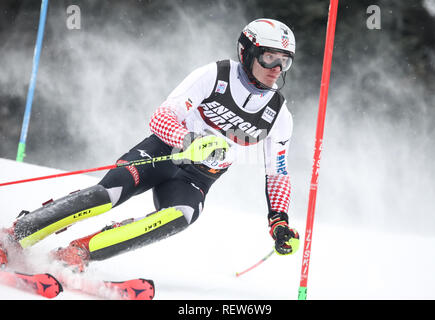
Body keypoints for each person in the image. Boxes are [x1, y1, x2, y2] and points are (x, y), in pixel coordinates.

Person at [0, 18, 300, 272]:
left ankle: (78, 253)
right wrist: (187, 140)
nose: (276, 68)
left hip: (196, 178)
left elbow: (278, 174)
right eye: (269, 57)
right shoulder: (215, 75)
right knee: (108, 195)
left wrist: (279, 220)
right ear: (247, 52)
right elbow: (162, 117)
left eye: (284, 61)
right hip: (161, 154)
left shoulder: (279, 115)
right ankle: (14, 236)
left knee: (182, 215)